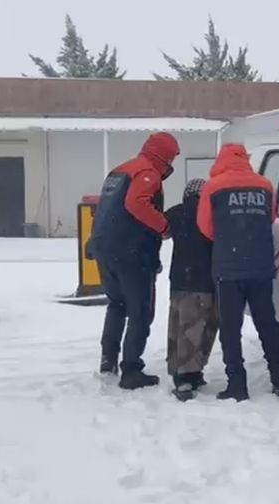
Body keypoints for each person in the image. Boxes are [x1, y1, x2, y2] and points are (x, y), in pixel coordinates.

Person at [197, 143, 279, 401]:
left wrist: (229, 237)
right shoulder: (265, 185)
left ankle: (237, 385)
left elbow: (205, 227)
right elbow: (270, 217)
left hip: (229, 268)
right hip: (260, 266)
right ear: (245, 158)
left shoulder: (212, 187)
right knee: (267, 324)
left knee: (230, 328)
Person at [88, 132, 179, 390]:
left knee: (116, 304)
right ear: (163, 156)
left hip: (105, 249)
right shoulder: (147, 173)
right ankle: (131, 370)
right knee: (140, 311)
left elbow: (106, 208)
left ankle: (108, 359)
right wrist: (163, 226)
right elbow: (136, 203)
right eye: (171, 158)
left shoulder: (120, 171)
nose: (171, 164)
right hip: (132, 253)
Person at [165, 178, 217, 402]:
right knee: (198, 328)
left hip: (178, 279)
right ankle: (188, 377)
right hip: (202, 278)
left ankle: (179, 370)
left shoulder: (174, 213)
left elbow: (162, 232)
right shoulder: (210, 213)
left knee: (177, 327)